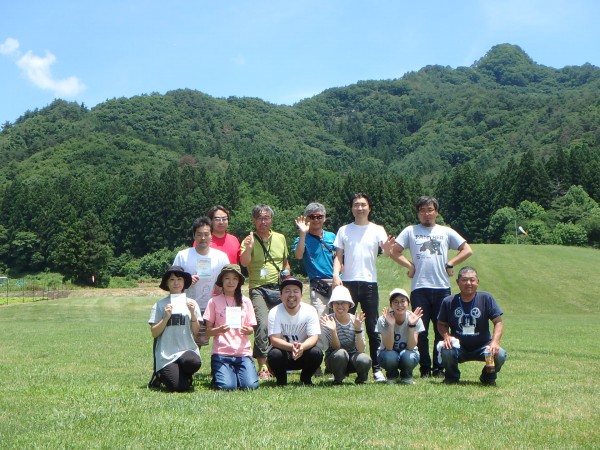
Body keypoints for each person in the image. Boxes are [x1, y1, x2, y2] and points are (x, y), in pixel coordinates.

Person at [387, 196, 473, 378]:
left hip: (442, 287)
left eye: (430, 210)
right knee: (421, 330)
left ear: (436, 212)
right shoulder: (411, 231)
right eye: (422, 210)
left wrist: (450, 263)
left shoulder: (446, 231)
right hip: (419, 287)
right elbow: (394, 251)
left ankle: (439, 368)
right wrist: (410, 266)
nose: (426, 214)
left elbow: (467, 250)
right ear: (418, 213)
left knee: (441, 329)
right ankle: (425, 368)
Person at [333, 192, 390, 382]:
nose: (360, 208)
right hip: (348, 282)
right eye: (356, 205)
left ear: (369, 208)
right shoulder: (344, 230)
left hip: (369, 283)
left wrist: (389, 247)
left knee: (372, 326)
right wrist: (336, 275)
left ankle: (376, 368)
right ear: (351, 208)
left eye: (363, 205)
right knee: (343, 323)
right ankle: (340, 365)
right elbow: (338, 257)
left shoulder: (377, 229)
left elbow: (387, 252)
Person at [240, 204, 291, 381]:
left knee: (280, 324)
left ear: (271, 219)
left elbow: (285, 262)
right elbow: (244, 262)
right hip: (258, 288)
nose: (263, 221)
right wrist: (248, 247)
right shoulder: (249, 239)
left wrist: (287, 275)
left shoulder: (280, 238)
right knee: (262, 323)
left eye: (267, 218)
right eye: (260, 218)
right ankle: (262, 365)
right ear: (254, 220)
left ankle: (278, 363)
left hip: (278, 287)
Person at [437, 266, 507, 385]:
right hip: (459, 347)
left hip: (483, 347)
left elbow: (498, 322)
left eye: (472, 280)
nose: (468, 283)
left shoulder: (486, 298)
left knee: (500, 354)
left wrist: (495, 342)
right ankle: (451, 377)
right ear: (458, 282)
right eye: (464, 280)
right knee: (447, 350)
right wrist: (446, 336)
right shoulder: (448, 301)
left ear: (477, 282)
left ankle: (488, 377)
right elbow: (441, 323)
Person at [173, 217, 230, 347]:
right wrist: (186, 280)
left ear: (211, 236)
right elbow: (172, 280)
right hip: (186, 306)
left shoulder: (221, 257)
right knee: (186, 342)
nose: (203, 238)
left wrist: (221, 287)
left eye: (206, 234)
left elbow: (228, 279)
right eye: (199, 234)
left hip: (211, 306)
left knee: (207, 340)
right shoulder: (183, 255)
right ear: (194, 236)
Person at [203, 264, 259, 391]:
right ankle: (222, 375)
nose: (231, 282)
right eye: (227, 278)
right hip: (222, 353)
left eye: (235, 278)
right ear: (221, 281)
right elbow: (208, 331)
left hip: (243, 353)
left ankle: (232, 375)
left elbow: (251, 328)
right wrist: (219, 330)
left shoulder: (246, 302)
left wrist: (248, 330)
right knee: (227, 387)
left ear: (239, 281)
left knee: (251, 386)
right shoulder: (213, 302)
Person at [148, 266, 201, 392]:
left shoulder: (192, 303)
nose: (176, 283)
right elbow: (154, 333)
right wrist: (166, 318)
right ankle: (161, 374)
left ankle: (184, 375)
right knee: (179, 387)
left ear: (184, 282)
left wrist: (193, 313)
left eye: (179, 279)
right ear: (167, 283)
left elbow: (196, 331)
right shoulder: (160, 305)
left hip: (186, 349)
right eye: (172, 280)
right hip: (166, 354)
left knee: (194, 362)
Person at [267, 278, 323, 386]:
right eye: (287, 291)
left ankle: (305, 379)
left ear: (301, 295)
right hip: (284, 354)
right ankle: (281, 381)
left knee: (316, 353)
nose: (291, 295)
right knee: (275, 354)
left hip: (304, 352)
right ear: (281, 295)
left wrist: (301, 347)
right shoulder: (274, 312)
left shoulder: (310, 310)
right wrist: (292, 347)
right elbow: (274, 340)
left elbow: (314, 337)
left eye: (295, 291)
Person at [319, 285, 371, 385]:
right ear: (332, 305)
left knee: (365, 358)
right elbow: (336, 347)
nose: (340, 306)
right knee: (341, 353)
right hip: (335, 359)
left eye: (343, 303)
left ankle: (361, 379)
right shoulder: (328, 321)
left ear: (349, 305)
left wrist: (358, 330)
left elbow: (361, 350)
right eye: (336, 303)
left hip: (353, 359)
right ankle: (338, 379)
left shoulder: (356, 320)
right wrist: (333, 330)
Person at [293, 202, 336, 317]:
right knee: (320, 319)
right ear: (307, 218)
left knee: (339, 318)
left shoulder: (332, 236)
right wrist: (303, 233)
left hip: (336, 282)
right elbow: (298, 255)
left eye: (319, 217)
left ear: (324, 218)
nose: (316, 220)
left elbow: (340, 258)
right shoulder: (302, 238)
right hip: (318, 285)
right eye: (312, 217)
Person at [375, 288, 425, 384]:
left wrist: (411, 325)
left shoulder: (415, 318)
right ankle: (391, 376)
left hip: (407, 354)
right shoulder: (383, 319)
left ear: (408, 303)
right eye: (396, 302)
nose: (399, 305)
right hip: (387, 354)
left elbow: (411, 347)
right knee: (390, 356)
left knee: (408, 356)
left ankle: (406, 376)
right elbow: (388, 347)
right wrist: (391, 325)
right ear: (391, 305)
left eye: (403, 301)